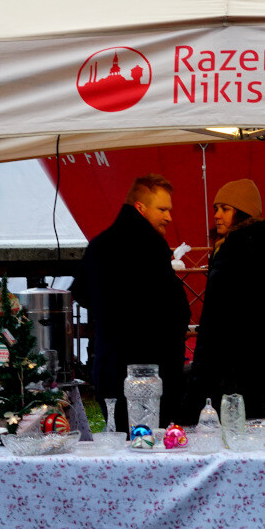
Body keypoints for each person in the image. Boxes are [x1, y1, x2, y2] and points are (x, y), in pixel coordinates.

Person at [75, 173, 191, 432]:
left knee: (120, 441)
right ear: (141, 207)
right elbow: (176, 308)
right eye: (162, 209)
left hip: (108, 366)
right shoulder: (151, 245)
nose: (169, 217)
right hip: (149, 372)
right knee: (152, 442)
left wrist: (108, 311)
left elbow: (80, 292)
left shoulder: (99, 244)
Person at [188, 178, 265, 421]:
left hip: (226, 363)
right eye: (216, 208)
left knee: (221, 428)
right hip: (254, 359)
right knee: (251, 424)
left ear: (243, 212)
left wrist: (202, 369)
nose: (217, 215)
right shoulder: (264, 247)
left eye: (225, 209)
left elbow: (218, 315)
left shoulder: (235, 250)